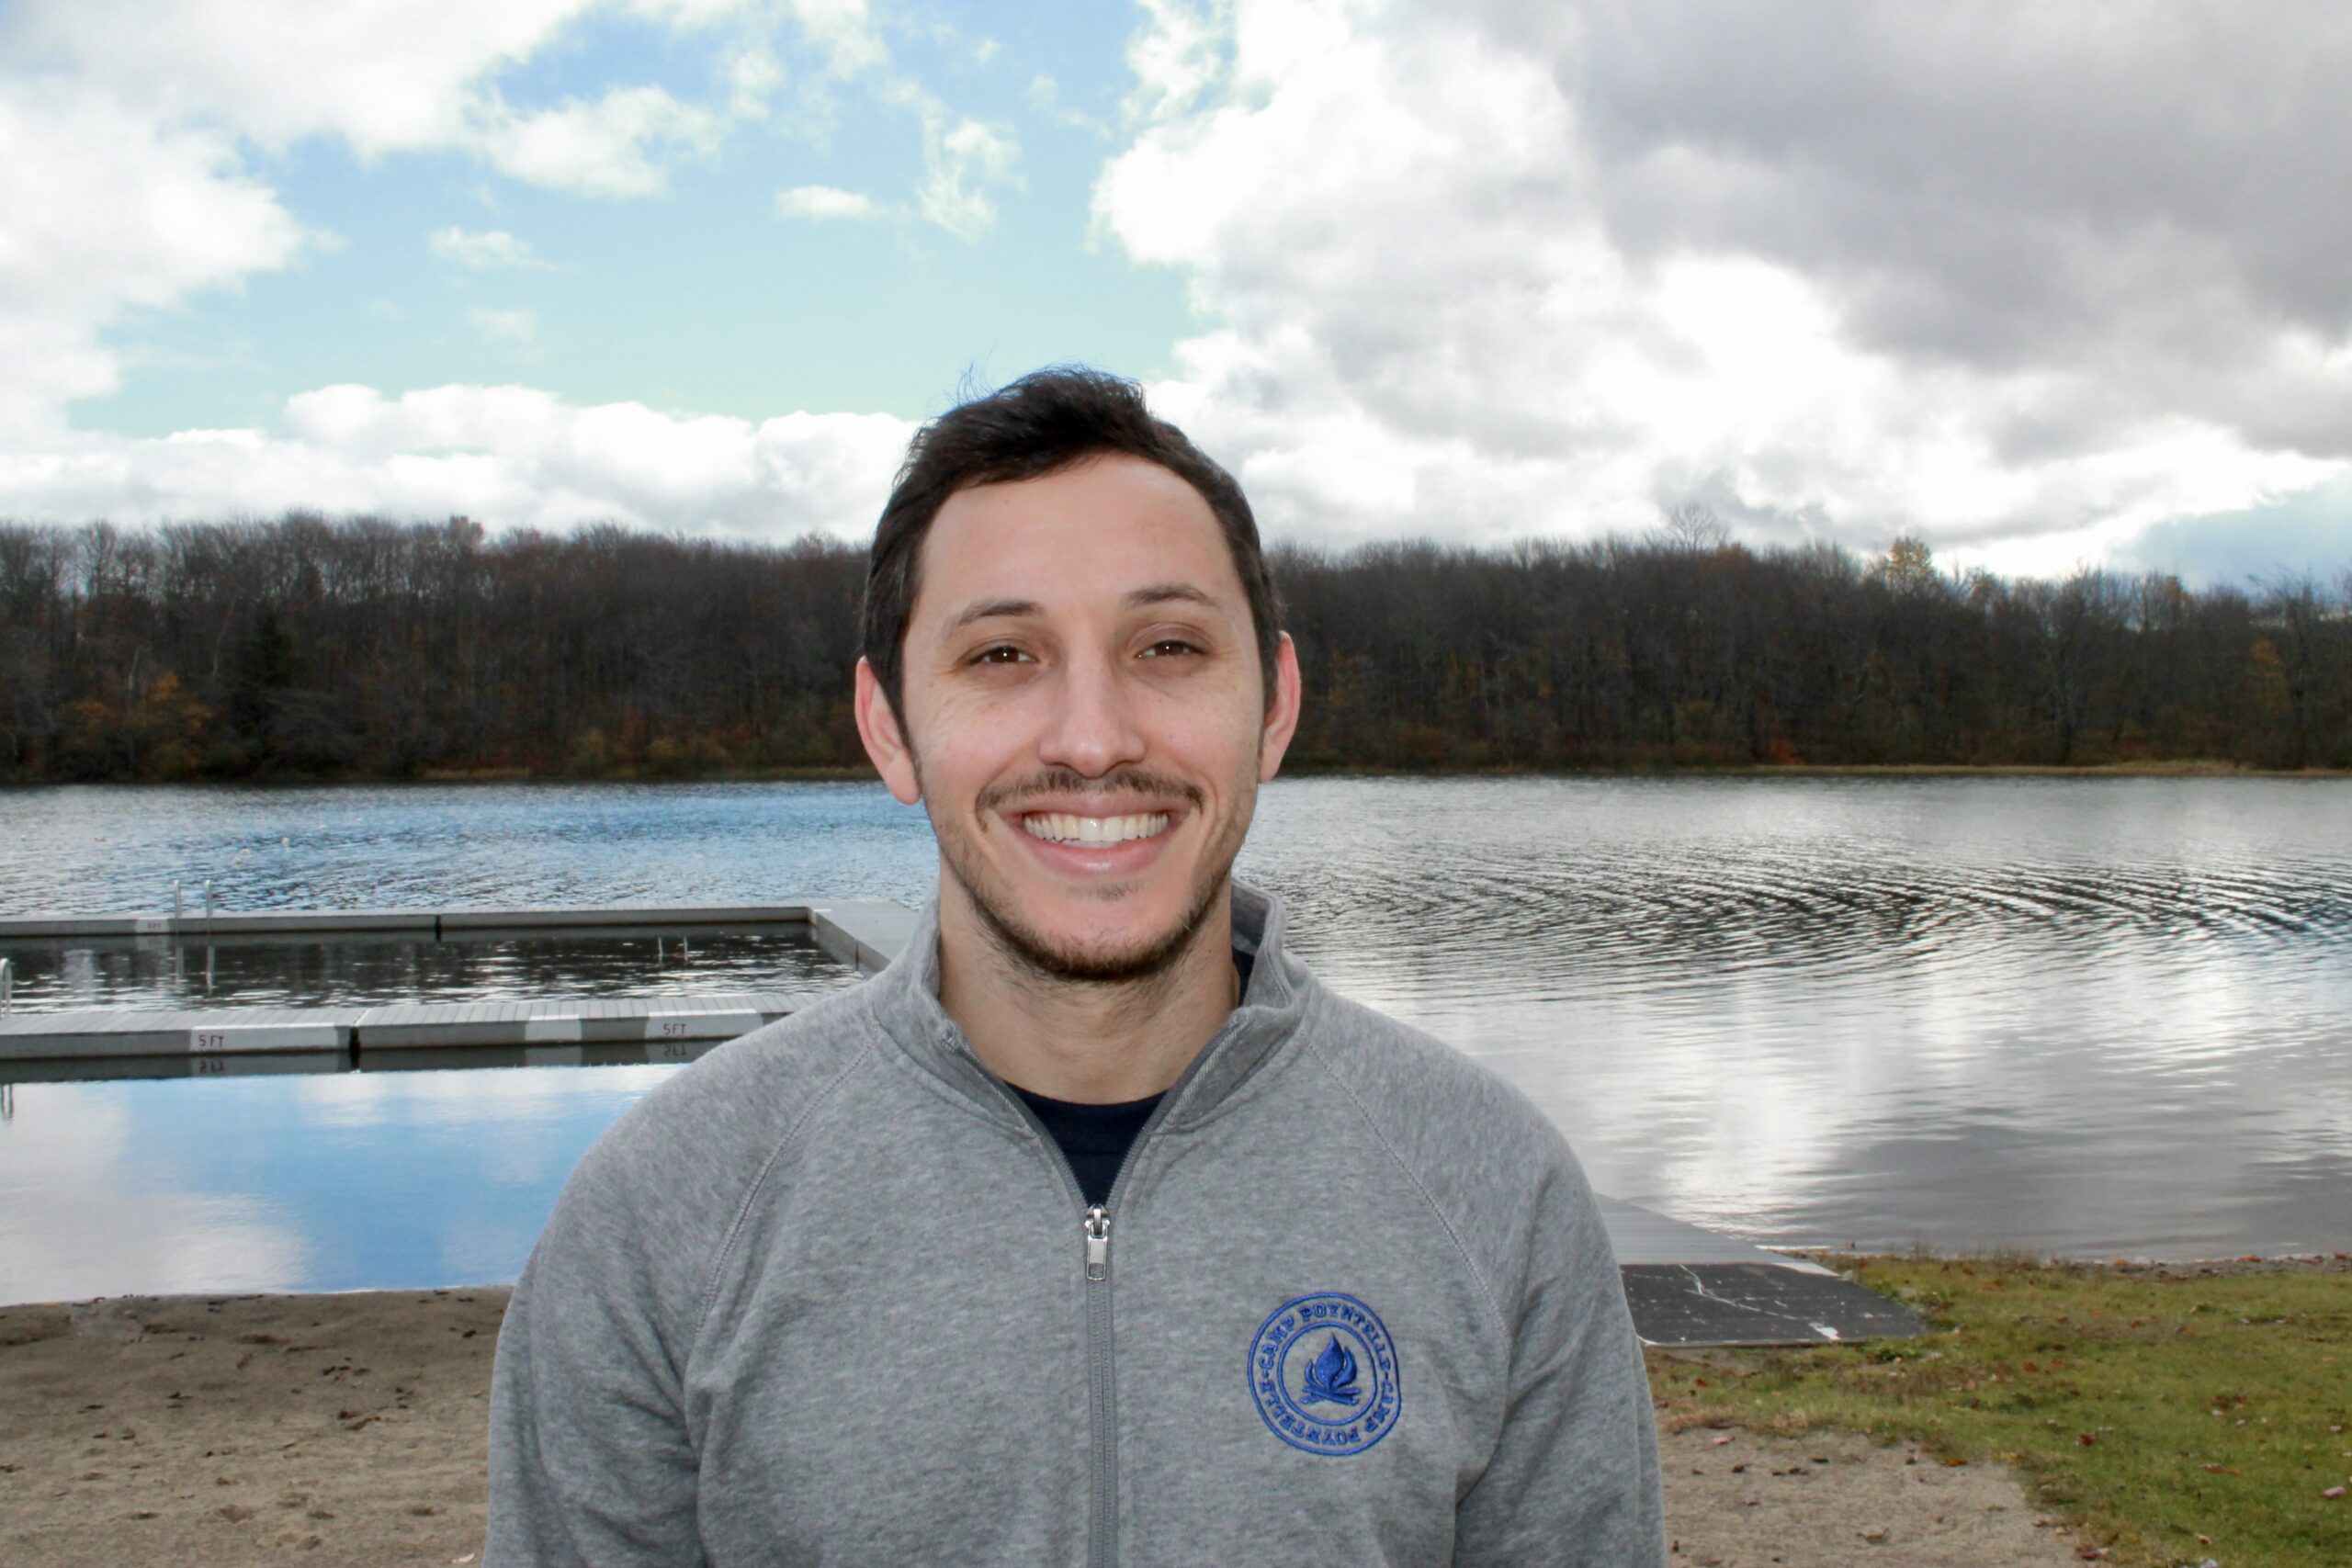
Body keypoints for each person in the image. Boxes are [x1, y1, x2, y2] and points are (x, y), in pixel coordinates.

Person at [483, 367, 1666, 1565]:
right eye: (1003, 655)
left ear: (1275, 707)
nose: (1094, 739)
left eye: (1168, 645)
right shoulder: (659, 1220)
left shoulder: (1494, 1197)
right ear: (890, 727)